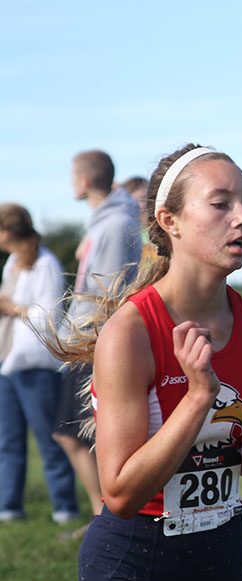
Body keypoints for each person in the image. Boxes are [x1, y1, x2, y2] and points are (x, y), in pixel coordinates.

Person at [47, 144, 242, 581]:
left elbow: (238, 450)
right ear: (169, 220)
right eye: (221, 204)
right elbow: (119, 493)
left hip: (223, 553)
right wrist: (199, 397)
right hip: (135, 560)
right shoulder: (131, 333)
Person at [53, 150, 142, 521]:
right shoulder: (103, 222)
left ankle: (105, 517)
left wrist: (88, 341)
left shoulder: (115, 223)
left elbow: (109, 291)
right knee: (68, 434)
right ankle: (99, 515)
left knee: (87, 437)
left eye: (73, 176)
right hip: (83, 342)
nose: (71, 183)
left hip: (94, 345)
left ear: (85, 181)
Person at [0, 203, 78, 524]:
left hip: (35, 364)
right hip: (7, 363)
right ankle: (9, 507)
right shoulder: (12, 264)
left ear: (7, 232)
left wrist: (14, 308)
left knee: (49, 440)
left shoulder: (46, 264)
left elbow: (49, 317)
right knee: (8, 440)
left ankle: (64, 508)